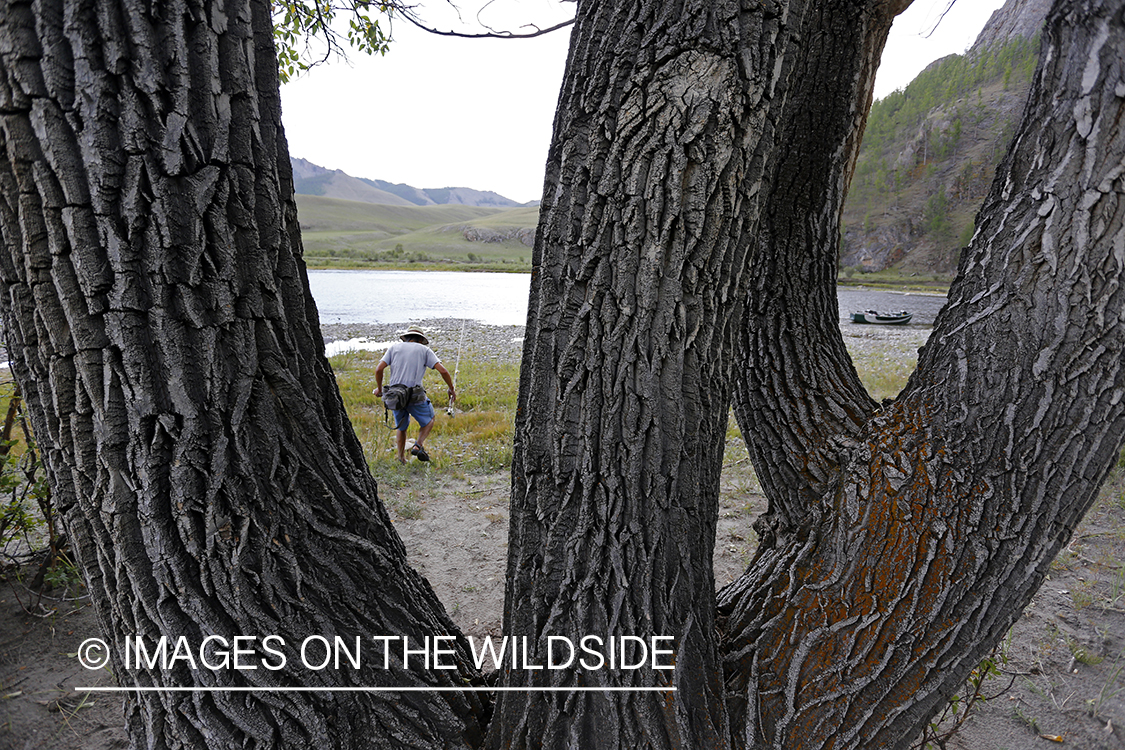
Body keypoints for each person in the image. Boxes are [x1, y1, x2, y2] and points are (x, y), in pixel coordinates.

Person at [373, 325, 456, 464]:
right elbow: (443, 371)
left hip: (396, 395)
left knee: (401, 427)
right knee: (430, 420)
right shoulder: (425, 350)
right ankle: (418, 445)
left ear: (407, 338)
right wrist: (451, 388)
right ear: (421, 340)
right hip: (415, 394)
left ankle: (401, 458)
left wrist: (379, 389)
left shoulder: (394, 348)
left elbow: (378, 369)